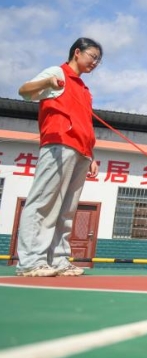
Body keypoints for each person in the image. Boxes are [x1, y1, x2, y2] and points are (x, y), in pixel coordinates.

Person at [15, 38, 103, 277]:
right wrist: (47, 82)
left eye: (98, 60)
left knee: (66, 209)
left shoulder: (84, 89)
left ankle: (59, 259)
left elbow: (84, 123)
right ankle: (32, 261)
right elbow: (24, 91)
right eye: (92, 56)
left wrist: (91, 155)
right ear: (77, 52)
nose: (95, 62)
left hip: (81, 151)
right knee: (44, 202)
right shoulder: (57, 73)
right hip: (59, 145)